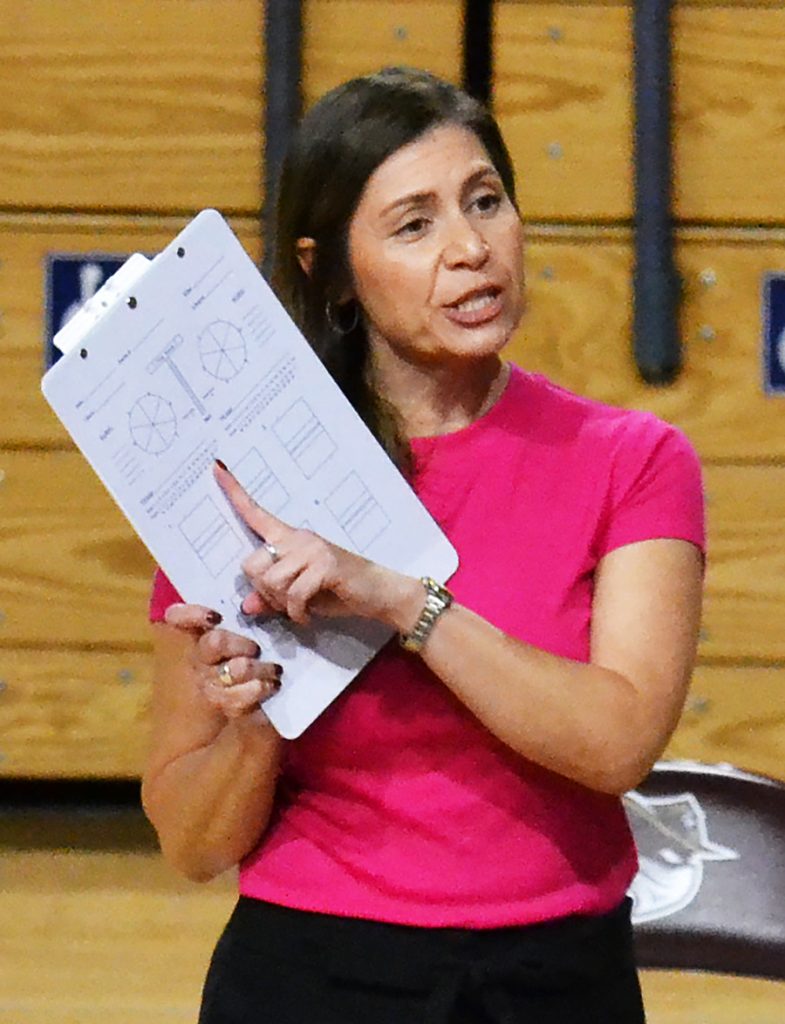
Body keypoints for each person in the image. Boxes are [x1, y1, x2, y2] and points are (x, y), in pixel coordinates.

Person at [142, 67, 704, 1023]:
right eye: (414, 225)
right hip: (309, 972)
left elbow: (616, 744)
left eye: (485, 202)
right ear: (328, 269)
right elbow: (194, 845)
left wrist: (404, 601)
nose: (471, 248)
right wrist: (254, 717)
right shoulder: (244, 490)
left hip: (554, 977)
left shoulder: (632, 459)